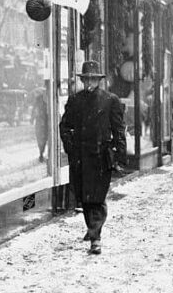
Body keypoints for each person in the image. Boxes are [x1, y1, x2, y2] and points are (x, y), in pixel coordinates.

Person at [59, 61, 126, 255]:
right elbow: (64, 126)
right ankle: (93, 227)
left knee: (96, 197)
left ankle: (95, 238)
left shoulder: (110, 100)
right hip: (80, 156)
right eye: (87, 79)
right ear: (82, 80)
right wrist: (70, 147)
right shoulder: (75, 100)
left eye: (93, 79)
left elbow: (118, 129)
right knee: (84, 197)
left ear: (99, 80)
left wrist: (119, 155)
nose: (90, 82)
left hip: (100, 156)